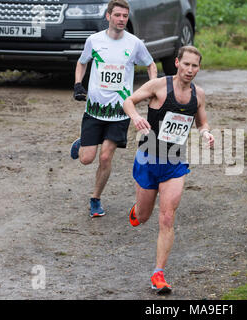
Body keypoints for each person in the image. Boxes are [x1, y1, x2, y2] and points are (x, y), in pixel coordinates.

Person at [123, 45, 214, 294]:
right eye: (186, 64)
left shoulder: (199, 94)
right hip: (148, 155)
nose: (190, 70)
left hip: (175, 161)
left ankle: (158, 274)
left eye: (195, 66)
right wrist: (135, 117)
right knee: (143, 216)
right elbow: (128, 101)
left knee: (167, 217)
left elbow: (202, 121)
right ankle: (138, 210)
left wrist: (205, 133)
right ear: (177, 63)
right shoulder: (158, 86)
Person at [70, 0, 157, 218]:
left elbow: (151, 64)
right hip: (94, 110)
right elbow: (82, 62)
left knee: (106, 157)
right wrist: (78, 84)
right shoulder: (94, 40)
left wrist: (152, 88)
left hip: (120, 112)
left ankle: (95, 199)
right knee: (86, 158)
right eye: (117, 15)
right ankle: (82, 143)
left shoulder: (134, 43)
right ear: (108, 16)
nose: (121, 19)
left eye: (125, 16)